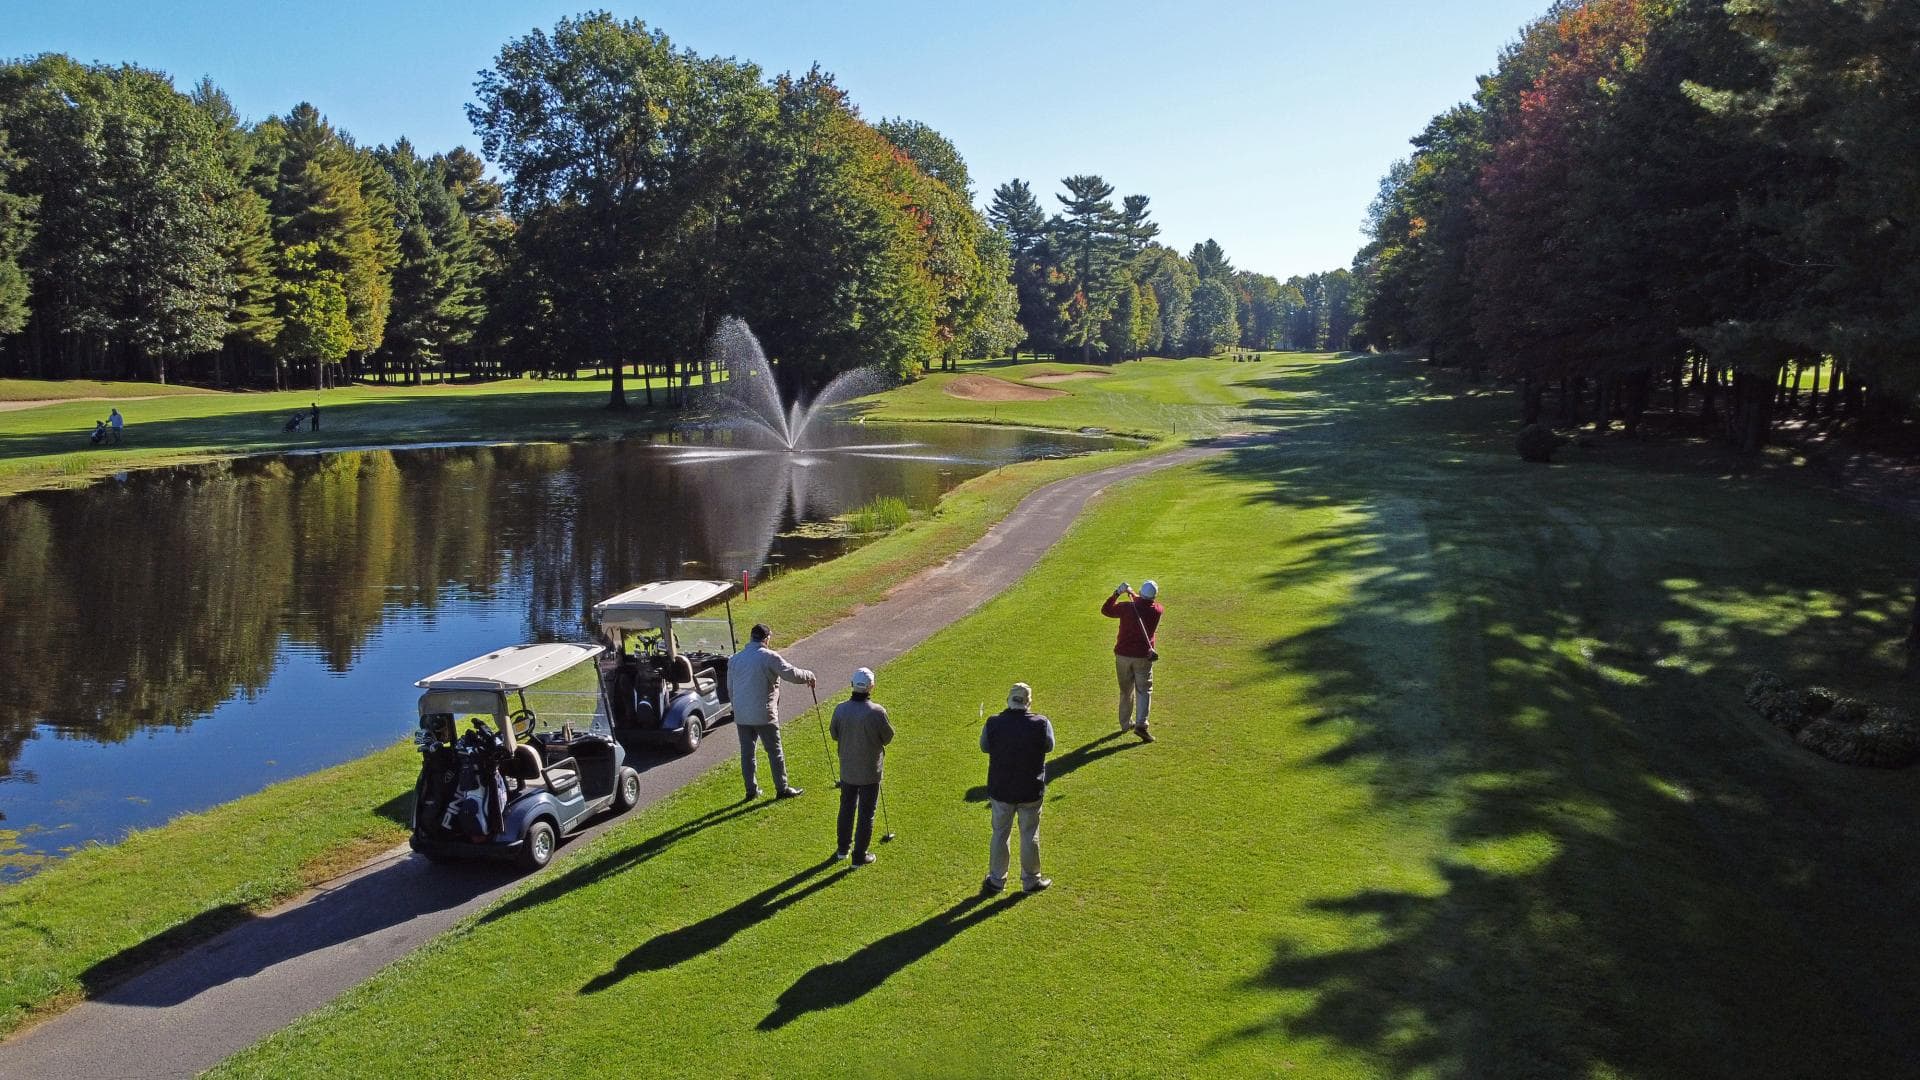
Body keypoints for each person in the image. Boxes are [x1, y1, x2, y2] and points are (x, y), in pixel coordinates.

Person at [980, 681, 1053, 895]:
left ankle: (996, 880)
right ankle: (1031, 880)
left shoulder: (994, 722)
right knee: (1030, 834)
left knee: (1000, 834)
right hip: (1030, 788)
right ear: (1028, 702)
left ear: (1009, 700)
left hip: (1001, 789)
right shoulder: (1041, 723)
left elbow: (984, 746)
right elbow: (1049, 746)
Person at [727, 623, 815, 800]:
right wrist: (809, 675)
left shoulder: (735, 659)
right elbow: (791, 674)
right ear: (766, 639)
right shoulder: (769, 657)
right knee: (775, 752)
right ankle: (782, 788)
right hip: (764, 714)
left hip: (742, 714)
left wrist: (737, 707)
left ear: (752, 637)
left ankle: (751, 790)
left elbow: (730, 688)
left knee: (747, 754)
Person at [829, 667, 893, 865]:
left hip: (848, 769)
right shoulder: (877, 712)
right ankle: (859, 856)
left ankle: (842, 849)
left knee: (846, 808)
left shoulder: (840, 709)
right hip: (870, 771)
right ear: (871, 687)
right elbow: (888, 737)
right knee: (866, 813)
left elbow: (834, 733)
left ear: (852, 685)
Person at [1102, 580, 1163, 742]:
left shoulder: (1126, 607)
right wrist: (1131, 593)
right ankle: (1141, 724)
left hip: (1122, 655)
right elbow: (1142, 603)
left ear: (1141, 593)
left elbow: (1106, 610)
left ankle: (1125, 723)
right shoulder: (1157, 610)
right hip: (1143, 657)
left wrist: (1118, 593)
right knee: (1144, 690)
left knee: (1125, 690)